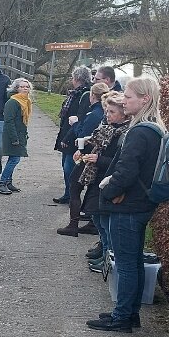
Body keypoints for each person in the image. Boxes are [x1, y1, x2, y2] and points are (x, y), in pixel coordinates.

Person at [87, 76, 166, 332]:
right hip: (141, 203)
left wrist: (108, 191)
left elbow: (126, 171)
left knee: (126, 263)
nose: (124, 99)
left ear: (145, 99)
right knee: (133, 261)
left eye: (129, 96)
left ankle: (122, 317)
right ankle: (129, 313)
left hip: (129, 206)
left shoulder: (140, 132)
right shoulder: (153, 128)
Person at [60, 91, 128, 243]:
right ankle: (80, 226)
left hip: (104, 175)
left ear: (124, 114)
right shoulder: (108, 127)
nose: (107, 115)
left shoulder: (123, 133)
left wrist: (98, 159)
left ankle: (82, 230)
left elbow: (119, 161)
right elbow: (95, 142)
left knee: (101, 216)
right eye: (107, 111)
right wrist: (82, 151)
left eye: (111, 112)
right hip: (93, 167)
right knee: (94, 211)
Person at [53, 66, 95, 203]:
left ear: (76, 78)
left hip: (73, 136)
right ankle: (68, 194)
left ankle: (71, 196)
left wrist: (67, 137)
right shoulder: (78, 93)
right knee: (67, 166)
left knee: (69, 168)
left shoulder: (83, 95)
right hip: (69, 133)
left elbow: (79, 118)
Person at [0, 78, 32, 194]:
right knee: (15, 159)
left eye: (27, 87)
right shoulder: (13, 102)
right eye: (22, 86)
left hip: (20, 134)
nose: (25, 89)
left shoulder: (26, 101)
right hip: (12, 135)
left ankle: (8, 182)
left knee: (13, 158)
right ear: (16, 88)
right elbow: (9, 121)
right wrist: (14, 138)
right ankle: (2, 183)